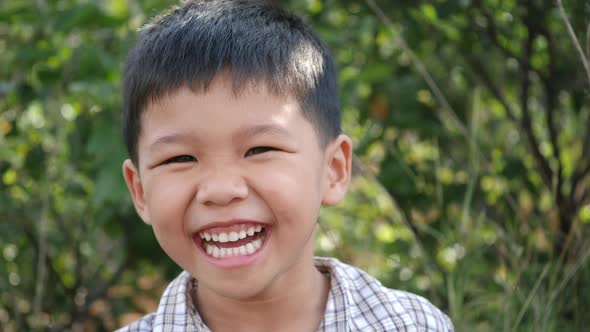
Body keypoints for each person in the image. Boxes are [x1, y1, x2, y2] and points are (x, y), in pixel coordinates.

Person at [118, 0, 454, 331]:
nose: (220, 190)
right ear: (140, 190)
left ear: (333, 170)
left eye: (259, 149)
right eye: (180, 158)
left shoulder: (412, 324)